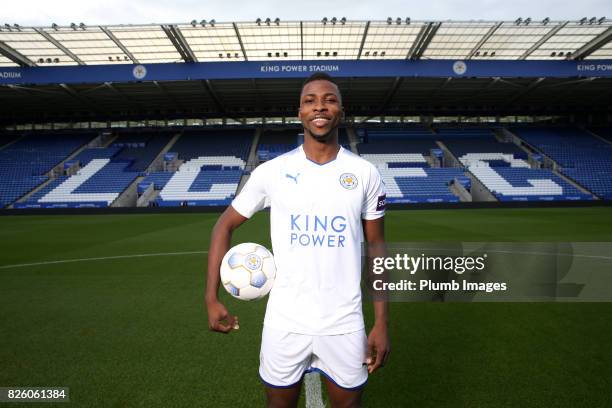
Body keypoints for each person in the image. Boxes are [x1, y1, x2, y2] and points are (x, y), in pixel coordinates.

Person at [206, 72, 389, 408]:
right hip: (285, 321)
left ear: (341, 111)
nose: (320, 106)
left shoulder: (365, 174)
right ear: (300, 112)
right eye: (310, 100)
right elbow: (224, 226)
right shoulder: (272, 172)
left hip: (344, 323)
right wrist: (211, 298)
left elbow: (377, 250)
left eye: (329, 99)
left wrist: (380, 323)